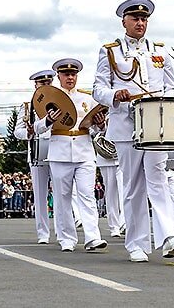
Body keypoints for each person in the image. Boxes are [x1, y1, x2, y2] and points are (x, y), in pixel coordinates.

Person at [92, 0, 174, 262]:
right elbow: (98, 89)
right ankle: (136, 244)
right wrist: (115, 95)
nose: (140, 23)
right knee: (133, 184)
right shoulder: (110, 51)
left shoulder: (161, 51)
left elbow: (172, 86)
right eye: (135, 18)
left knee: (157, 178)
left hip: (155, 124)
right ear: (124, 22)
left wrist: (164, 105)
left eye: (144, 19)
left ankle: (169, 236)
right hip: (125, 125)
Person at [35, 58, 107, 252]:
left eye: (73, 74)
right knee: (62, 197)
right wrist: (48, 120)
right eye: (66, 74)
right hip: (60, 152)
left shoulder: (88, 99)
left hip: (84, 151)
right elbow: (37, 128)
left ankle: (93, 237)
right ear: (58, 76)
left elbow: (96, 129)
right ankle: (67, 238)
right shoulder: (49, 98)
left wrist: (100, 124)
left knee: (87, 194)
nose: (70, 77)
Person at [14, 69, 56, 243]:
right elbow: (17, 132)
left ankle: (62, 231)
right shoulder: (27, 107)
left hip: (57, 150)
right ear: (36, 85)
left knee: (61, 194)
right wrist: (29, 133)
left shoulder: (60, 102)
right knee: (40, 196)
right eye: (42, 83)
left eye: (48, 83)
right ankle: (43, 234)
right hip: (37, 152)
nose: (46, 86)